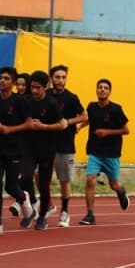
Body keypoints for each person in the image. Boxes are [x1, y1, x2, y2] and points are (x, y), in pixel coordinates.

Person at [0, 66, 32, 236]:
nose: (2, 81)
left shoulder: (20, 101)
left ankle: (23, 198)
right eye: (0, 78)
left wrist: (10, 129)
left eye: (6, 78)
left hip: (15, 150)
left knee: (11, 187)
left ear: (13, 83)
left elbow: (29, 123)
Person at [22, 70, 67, 231]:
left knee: (44, 184)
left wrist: (44, 127)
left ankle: (42, 216)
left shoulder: (51, 104)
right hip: (29, 147)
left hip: (47, 149)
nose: (34, 90)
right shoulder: (26, 101)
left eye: (37, 88)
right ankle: (33, 203)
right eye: (32, 87)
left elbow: (62, 124)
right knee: (25, 177)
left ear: (45, 87)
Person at [82, 78, 129, 225]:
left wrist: (106, 132)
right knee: (90, 180)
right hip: (95, 152)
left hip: (111, 153)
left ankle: (121, 192)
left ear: (109, 92)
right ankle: (90, 214)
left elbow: (126, 130)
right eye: (100, 87)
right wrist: (79, 127)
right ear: (96, 90)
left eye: (105, 88)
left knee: (114, 185)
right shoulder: (92, 107)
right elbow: (89, 119)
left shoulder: (116, 109)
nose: (102, 90)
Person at [48, 64, 87, 227]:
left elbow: (85, 116)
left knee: (64, 181)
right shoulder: (46, 95)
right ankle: (47, 206)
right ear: (51, 79)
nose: (60, 80)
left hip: (65, 145)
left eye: (63, 77)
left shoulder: (71, 97)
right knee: (39, 177)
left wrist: (70, 123)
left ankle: (65, 212)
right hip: (46, 144)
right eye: (57, 77)